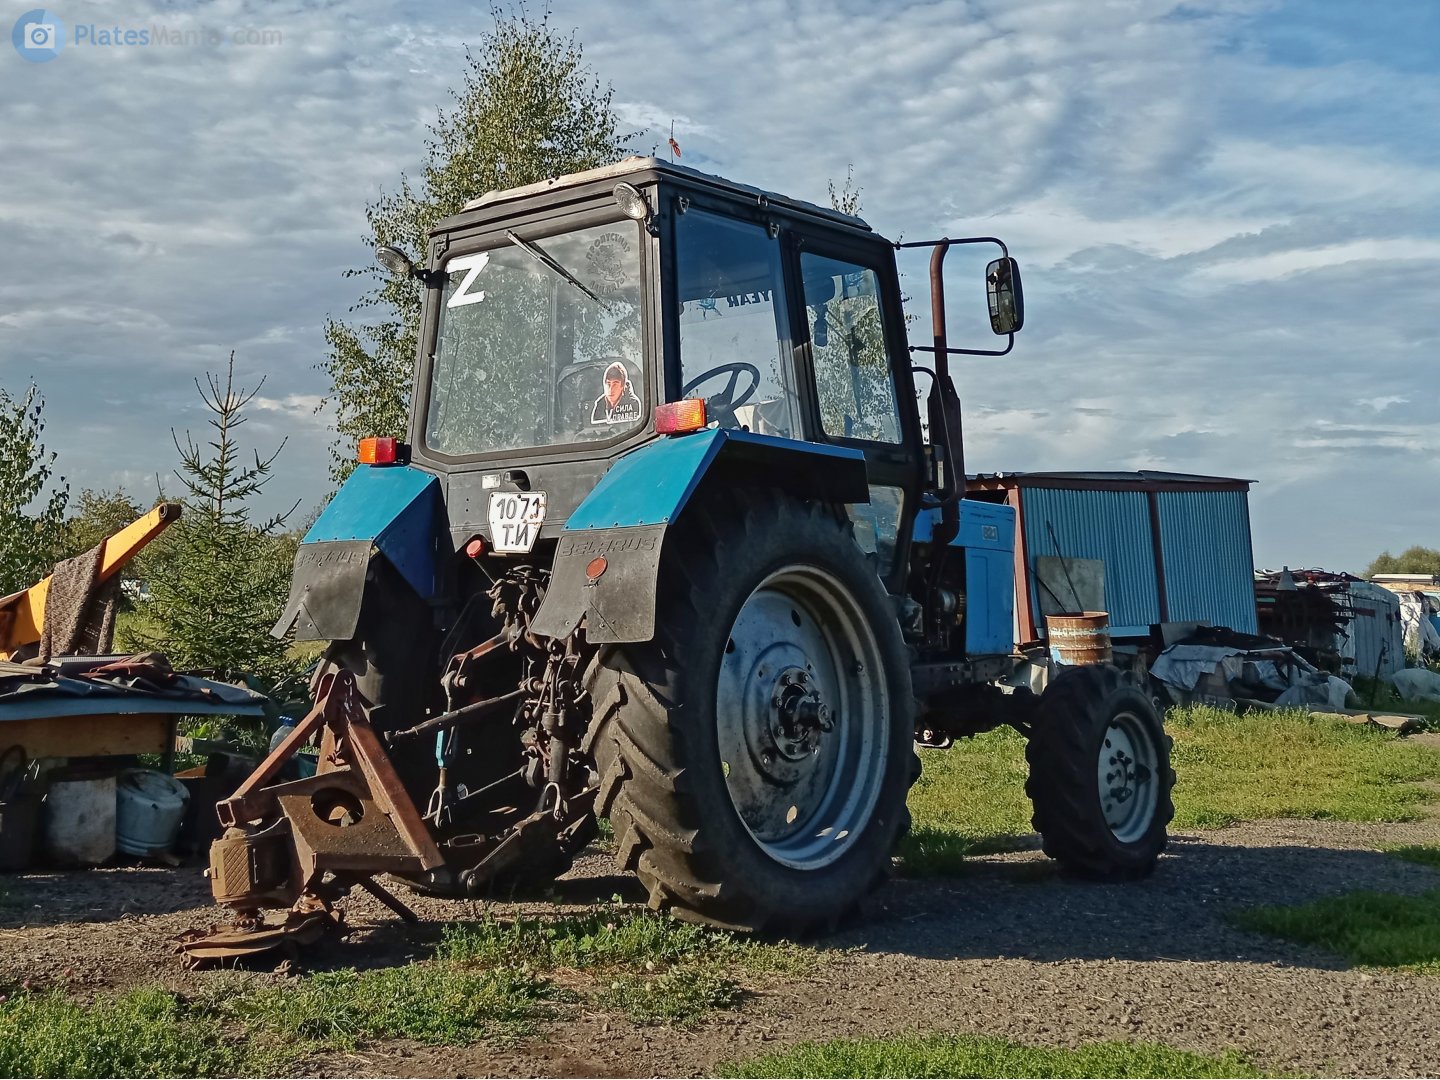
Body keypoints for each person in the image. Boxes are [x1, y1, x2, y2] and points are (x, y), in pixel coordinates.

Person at [591, 360, 641, 424]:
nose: (611, 389)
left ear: (623, 386)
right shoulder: (600, 404)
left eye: (615, 384)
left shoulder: (633, 403)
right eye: (608, 383)